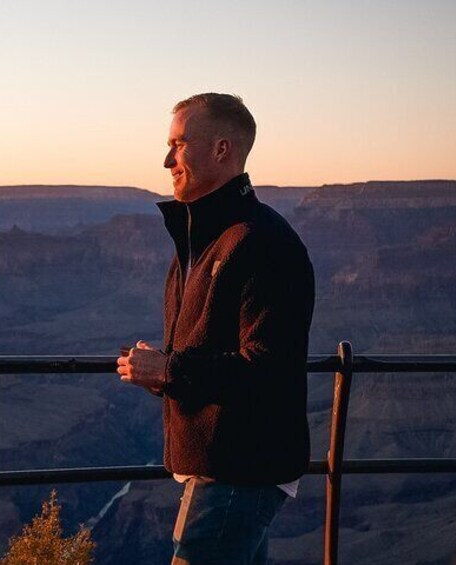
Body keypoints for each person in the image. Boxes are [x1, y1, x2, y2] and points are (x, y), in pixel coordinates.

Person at [117, 93, 315, 564]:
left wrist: (168, 370)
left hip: (238, 469)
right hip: (222, 469)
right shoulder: (204, 238)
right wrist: (159, 372)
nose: (167, 160)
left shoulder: (260, 242)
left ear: (222, 149)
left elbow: (266, 369)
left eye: (179, 144)